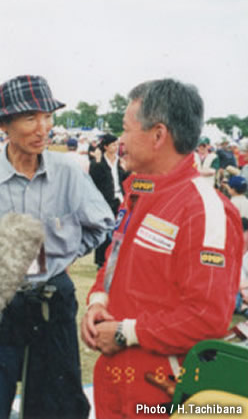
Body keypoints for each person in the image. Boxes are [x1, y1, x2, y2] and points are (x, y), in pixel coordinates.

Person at [0, 75, 114, 419]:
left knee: (56, 405)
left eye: (48, 116)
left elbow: (102, 223)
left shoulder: (69, 173)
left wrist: (64, 256)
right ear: (4, 124)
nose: (42, 128)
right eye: (30, 118)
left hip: (52, 302)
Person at [80, 78, 243, 419]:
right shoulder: (140, 193)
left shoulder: (203, 209)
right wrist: (98, 302)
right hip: (117, 381)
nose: (119, 142)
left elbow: (207, 317)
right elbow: (114, 262)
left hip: (164, 392)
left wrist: (126, 333)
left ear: (158, 135)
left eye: (125, 130)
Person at [89, 133, 130, 268]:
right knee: (105, 231)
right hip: (105, 200)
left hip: (119, 198)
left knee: (119, 230)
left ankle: (115, 258)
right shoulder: (99, 163)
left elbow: (124, 179)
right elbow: (94, 179)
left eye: (117, 144)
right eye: (113, 144)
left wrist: (126, 170)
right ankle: (101, 260)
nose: (116, 147)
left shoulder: (120, 161)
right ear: (106, 146)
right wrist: (98, 162)